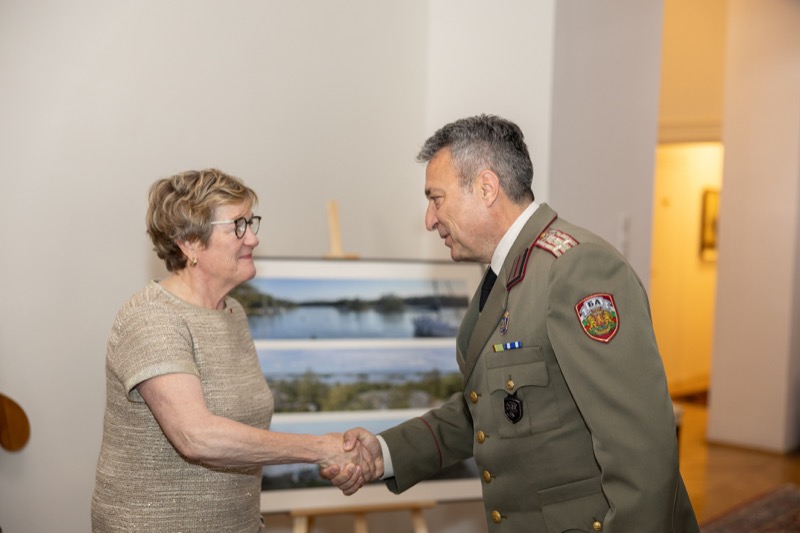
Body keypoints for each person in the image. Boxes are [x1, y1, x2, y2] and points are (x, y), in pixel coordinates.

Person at [324, 115, 700, 531]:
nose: (430, 219)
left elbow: (641, 449)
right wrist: (385, 452)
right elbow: (488, 410)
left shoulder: (577, 270)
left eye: (436, 199)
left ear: (487, 188)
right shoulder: (506, 273)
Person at [91, 169, 372, 532]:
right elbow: (196, 436)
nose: (253, 238)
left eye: (251, 222)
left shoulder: (232, 313)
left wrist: (338, 454)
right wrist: (319, 448)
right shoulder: (151, 318)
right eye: (238, 225)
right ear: (190, 242)